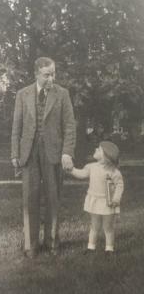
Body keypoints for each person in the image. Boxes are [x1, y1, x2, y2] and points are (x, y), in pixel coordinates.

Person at [11, 57, 76, 258]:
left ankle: (52, 242)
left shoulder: (62, 94)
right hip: (28, 152)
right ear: (36, 74)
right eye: (47, 74)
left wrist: (67, 152)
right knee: (30, 198)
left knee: (53, 197)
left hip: (54, 152)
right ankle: (31, 246)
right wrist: (15, 153)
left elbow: (70, 126)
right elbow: (16, 127)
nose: (51, 78)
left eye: (53, 73)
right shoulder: (23, 94)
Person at [69, 141, 124, 255]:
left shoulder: (114, 171)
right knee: (94, 225)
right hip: (94, 200)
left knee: (108, 226)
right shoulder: (91, 167)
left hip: (108, 202)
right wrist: (72, 170)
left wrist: (116, 198)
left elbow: (119, 185)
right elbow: (82, 174)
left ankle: (109, 248)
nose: (95, 149)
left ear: (106, 155)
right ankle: (91, 247)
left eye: (98, 149)